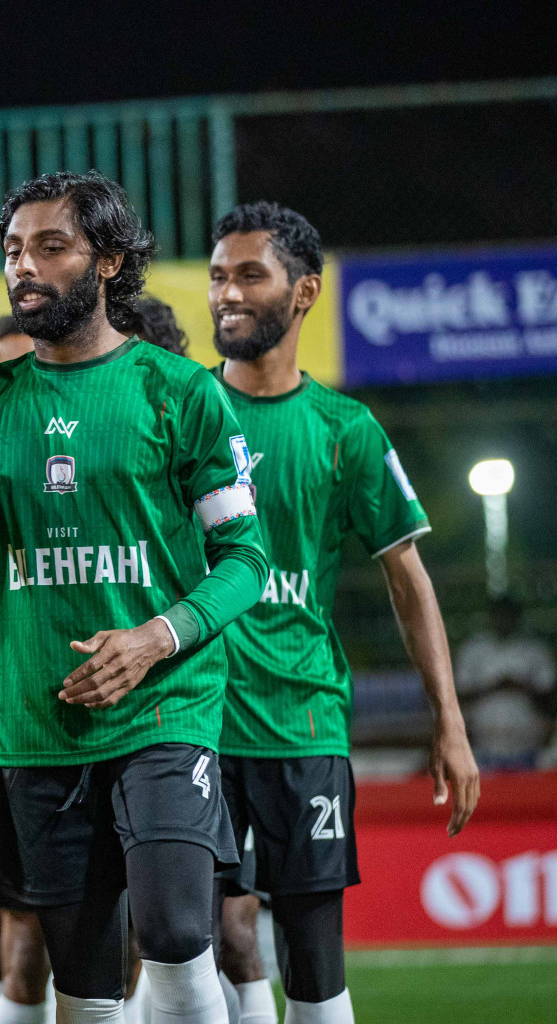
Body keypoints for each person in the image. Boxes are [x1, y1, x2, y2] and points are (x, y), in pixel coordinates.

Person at [0, 169, 270, 1023]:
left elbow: (246, 561)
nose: (24, 268)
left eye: (50, 247)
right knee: (79, 984)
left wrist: (156, 636)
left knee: (178, 931)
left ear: (109, 260)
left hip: (164, 711)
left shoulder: (181, 392)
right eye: (12, 251)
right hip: (39, 733)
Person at [208, 200, 479, 1024]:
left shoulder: (344, 430)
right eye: (219, 275)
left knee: (313, 954)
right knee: (202, 932)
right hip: (192, 720)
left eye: (251, 274)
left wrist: (451, 721)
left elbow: (409, 577)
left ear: (305, 293)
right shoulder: (181, 408)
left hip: (302, 722)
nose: (227, 293)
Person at [455, 596, 555, 770]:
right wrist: (495, 686)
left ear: (518, 617)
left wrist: (519, 686)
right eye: (499, 615)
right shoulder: (473, 650)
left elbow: (549, 698)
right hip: (481, 749)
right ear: (491, 617)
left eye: (508, 615)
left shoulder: (536, 650)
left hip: (530, 750)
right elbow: (458, 696)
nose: (504, 620)